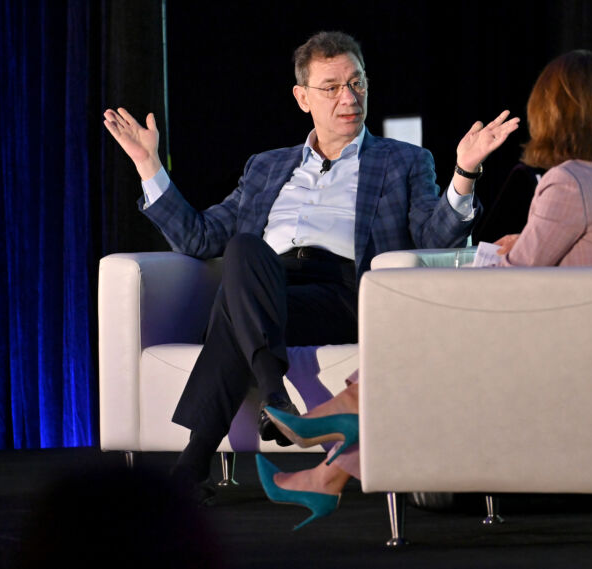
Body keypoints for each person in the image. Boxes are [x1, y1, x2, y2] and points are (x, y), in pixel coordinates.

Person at [103, 30, 518, 505]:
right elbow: (199, 237)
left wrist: (465, 173)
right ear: (303, 98)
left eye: (357, 83)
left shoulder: (402, 161)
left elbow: (435, 238)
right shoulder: (265, 167)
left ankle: (197, 460)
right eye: (332, 87)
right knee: (243, 251)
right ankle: (273, 398)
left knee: (236, 307)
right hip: (266, 284)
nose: (349, 98)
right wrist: (148, 165)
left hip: (341, 292)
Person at [255, 48, 592, 529]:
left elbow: (516, 278)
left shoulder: (568, 181)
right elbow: (582, 252)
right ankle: (326, 473)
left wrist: (502, 252)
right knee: (422, 342)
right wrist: (521, 243)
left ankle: (337, 417)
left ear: (556, 112)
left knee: (420, 333)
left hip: (553, 345)